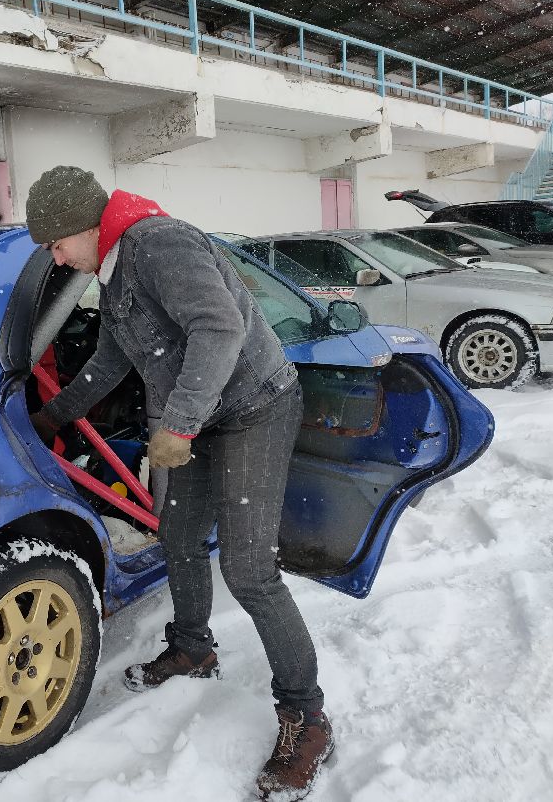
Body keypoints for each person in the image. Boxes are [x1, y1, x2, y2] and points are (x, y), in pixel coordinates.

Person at [26, 166, 332, 801]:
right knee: (180, 537)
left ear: (86, 227)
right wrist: (46, 419)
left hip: (252, 408)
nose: (54, 258)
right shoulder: (111, 278)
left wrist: (182, 424)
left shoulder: (159, 244)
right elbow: (112, 359)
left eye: (56, 244)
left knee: (249, 571)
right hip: (192, 418)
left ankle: (307, 718)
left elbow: (220, 328)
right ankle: (193, 649)